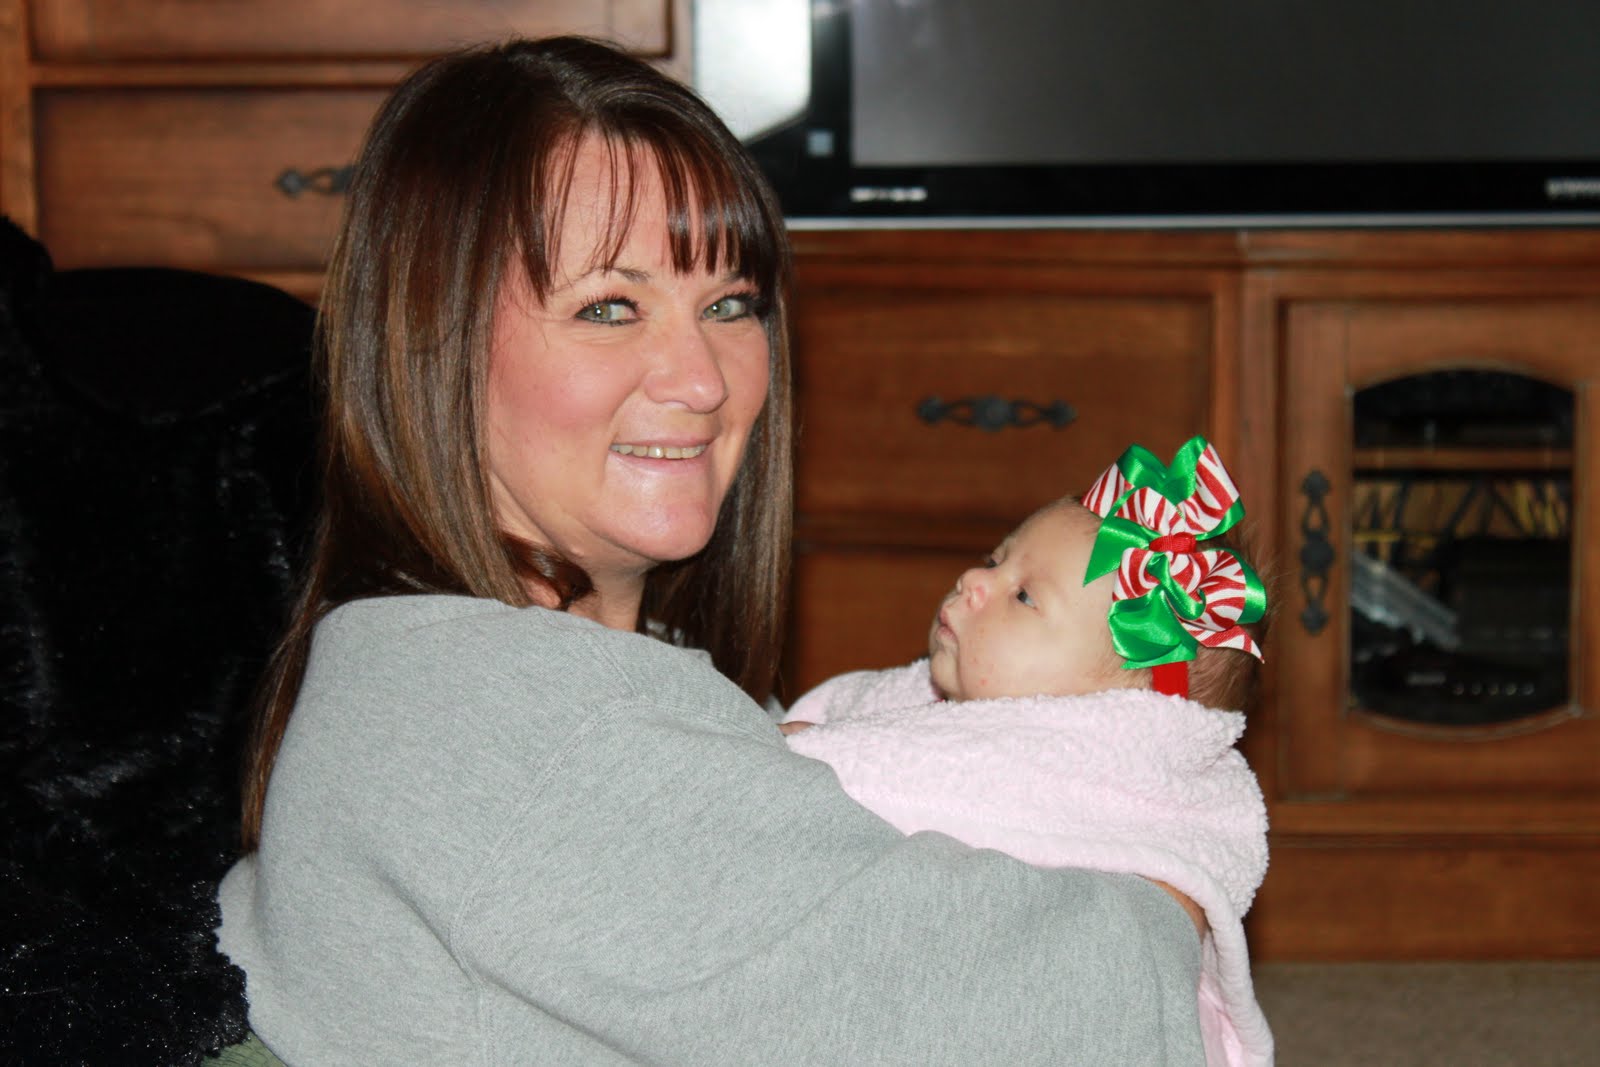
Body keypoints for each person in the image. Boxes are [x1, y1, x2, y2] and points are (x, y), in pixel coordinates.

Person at [214, 36, 1209, 1065]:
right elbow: (1062, 1013)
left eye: (729, 304)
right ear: (435, 343)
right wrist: (1177, 896)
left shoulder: (488, 664)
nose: (702, 379)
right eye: (610, 307)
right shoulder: (526, 729)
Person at [779, 437, 1274, 1067]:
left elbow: (890, 770)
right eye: (995, 558)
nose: (974, 579)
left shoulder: (1061, 771)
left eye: (1024, 596)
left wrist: (806, 751)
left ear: (1116, 713)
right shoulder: (937, 713)